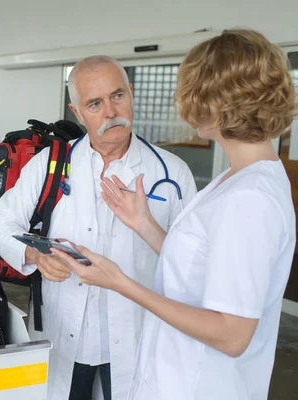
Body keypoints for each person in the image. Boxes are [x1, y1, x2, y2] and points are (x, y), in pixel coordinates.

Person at [51, 29, 297, 400]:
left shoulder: (250, 198)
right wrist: (146, 226)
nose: (181, 101)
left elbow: (232, 334)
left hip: (201, 386)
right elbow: (203, 270)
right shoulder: (240, 177)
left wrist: (121, 283)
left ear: (219, 101)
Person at [0, 55, 197, 400]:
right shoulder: (51, 165)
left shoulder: (171, 174)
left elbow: (193, 264)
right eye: (95, 103)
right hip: (65, 331)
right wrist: (32, 254)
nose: (111, 112)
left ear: (131, 93)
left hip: (136, 335)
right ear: (78, 112)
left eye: (117, 95)